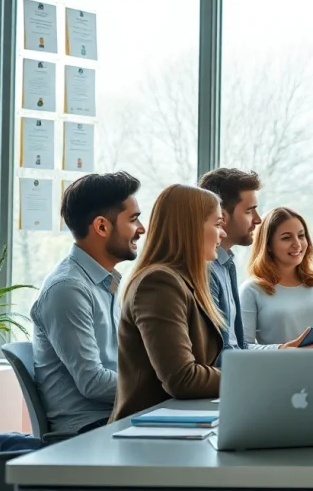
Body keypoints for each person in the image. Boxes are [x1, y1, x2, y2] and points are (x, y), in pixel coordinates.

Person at [30, 172, 144, 434]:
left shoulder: (107, 282)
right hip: (88, 430)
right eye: (133, 219)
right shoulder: (68, 289)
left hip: (114, 418)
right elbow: (92, 381)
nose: (142, 229)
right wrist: (160, 387)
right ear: (102, 226)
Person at [111, 184, 228, 421]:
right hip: (147, 432)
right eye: (217, 224)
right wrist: (252, 377)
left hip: (175, 422)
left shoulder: (183, 282)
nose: (222, 233)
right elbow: (182, 378)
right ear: (191, 228)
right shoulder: (159, 283)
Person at [198, 168, 283, 355]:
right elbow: (218, 353)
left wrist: (284, 349)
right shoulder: (205, 270)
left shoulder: (226, 264)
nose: (258, 219)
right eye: (249, 211)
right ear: (223, 216)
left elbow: (239, 346)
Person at [241, 207, 313, 347]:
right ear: (268, 245)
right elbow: (243, 347)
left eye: (301, 235)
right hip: (277, 369)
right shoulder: (251, 290)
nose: (297, 244)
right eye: (286, 238)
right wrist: (281, 350)